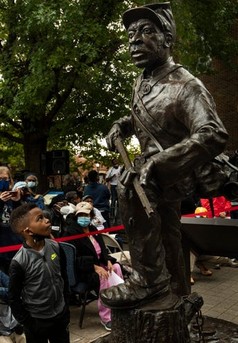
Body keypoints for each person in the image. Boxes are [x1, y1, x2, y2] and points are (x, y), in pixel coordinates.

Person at [101, 2, 228, 310]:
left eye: (146, 31)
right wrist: (124, 123)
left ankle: (148, 281)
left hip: (177, 170)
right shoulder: (143, 80)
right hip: (157, 173)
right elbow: (151, 117)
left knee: (130, 186)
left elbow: (213, 134)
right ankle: (180, 291)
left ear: (167, 38)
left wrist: (160, 162)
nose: (135, 41)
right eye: (131, 35)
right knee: (169, 231)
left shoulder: (186, 85)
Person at [8, 203, 70, 343]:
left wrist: (66, 307)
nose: (47, 220)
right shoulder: (19, 262)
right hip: (37, 321)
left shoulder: (56, 247)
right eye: (40, 218)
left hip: (60, 316)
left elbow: (64, 276)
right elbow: (13, 297)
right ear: (28, 231)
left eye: (45, 216)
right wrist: (29, 323)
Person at [63, 201, 123, 331]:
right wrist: (95, 267)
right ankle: (106, 317)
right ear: (76, 216)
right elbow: (74, 259)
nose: (84, 217)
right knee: (104, 276)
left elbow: (103, 249)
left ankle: (118, 305)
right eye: (81, 215)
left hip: (98, 263)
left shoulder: (93, 229)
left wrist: (107, 261)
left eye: (86, 215)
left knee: (117, 267)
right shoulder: (70, 232)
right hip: (83, 270)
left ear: (91, 216)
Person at [0, 166, 23, 273]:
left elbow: (22, 219)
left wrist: (17, 201)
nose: (3, 182)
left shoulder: (11, 196)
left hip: (14, 244)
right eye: (0, 179)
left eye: (6, 179)